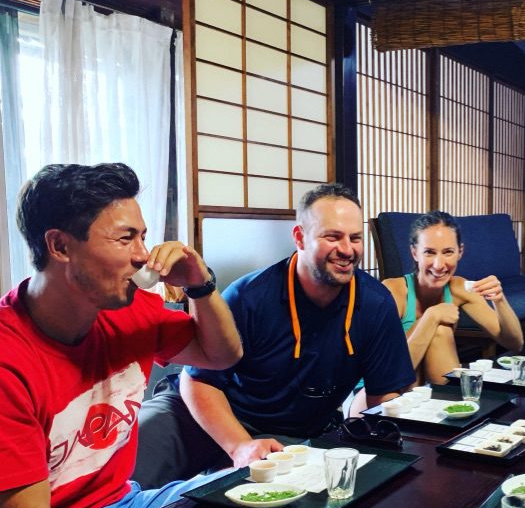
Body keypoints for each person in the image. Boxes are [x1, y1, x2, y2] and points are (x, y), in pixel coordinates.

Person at [0, 163, 243, 508]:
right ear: (60, 246)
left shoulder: (128, 310)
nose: (144, 254)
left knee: (246, 500)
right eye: (126, 238)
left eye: (143, 237)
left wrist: (200, 285)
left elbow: (222, 355)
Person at [133, 183, 415, 489]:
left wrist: (378, 445)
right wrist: (239, 446)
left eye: (355, 238)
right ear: (299, 238)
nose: (347, 249)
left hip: (290, 436)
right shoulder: (250, 295)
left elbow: (382, 396)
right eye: (332, 236)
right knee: (125, 461)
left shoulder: (375, 303)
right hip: (204, 413)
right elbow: (198, 380)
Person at [381, 211, 523, 385]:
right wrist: (431, 317)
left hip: (425, 388)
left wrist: (499, 300)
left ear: (460, 252)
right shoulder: (393, 291)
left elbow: (515, 343)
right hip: (384, 392)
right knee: (437, 326)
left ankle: (449, 404)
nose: (439, 265)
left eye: (448, 252)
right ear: (414, 253)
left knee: (440, 330)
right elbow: (387, 372)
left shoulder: (459, 289)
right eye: (429, 253)